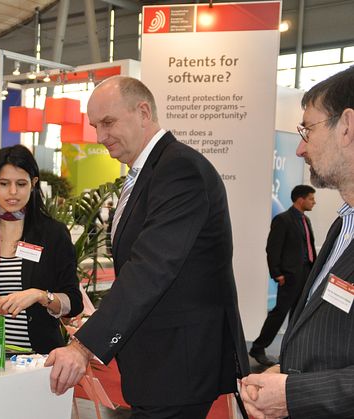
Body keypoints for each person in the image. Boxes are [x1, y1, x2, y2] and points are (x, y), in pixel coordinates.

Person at [45, 76, 249, 418]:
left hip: (178, 366)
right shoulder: (146, 173)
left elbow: (150, 267)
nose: (100, 137)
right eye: (95, 126)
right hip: (159, 364)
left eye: (108, 122)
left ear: (143, 111)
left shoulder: (179, 169)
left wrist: (83, 347)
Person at [241, 67, 354, 419]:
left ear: (347, 126)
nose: (301, 148)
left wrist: (294, 393)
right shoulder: (343, 224)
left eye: (308, 129)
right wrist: (289, 372)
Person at [0, 145, 83, 353]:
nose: (13, 192)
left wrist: (42, 296)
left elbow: (74, 302)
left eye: (21, 184)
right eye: (4, 184)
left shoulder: (53, 234)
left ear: (33, 184)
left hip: (39, 360)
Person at [249, 184, 317, 367]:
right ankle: (258, 347)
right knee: (279, 313)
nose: (314, 202)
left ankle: (291, 352)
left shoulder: (305, 220)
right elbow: (272, 249)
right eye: (311, 198)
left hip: (305, 274)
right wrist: (277, 273)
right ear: (300, 199)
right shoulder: (283, 220)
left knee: (298, 315)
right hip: (289, 277)